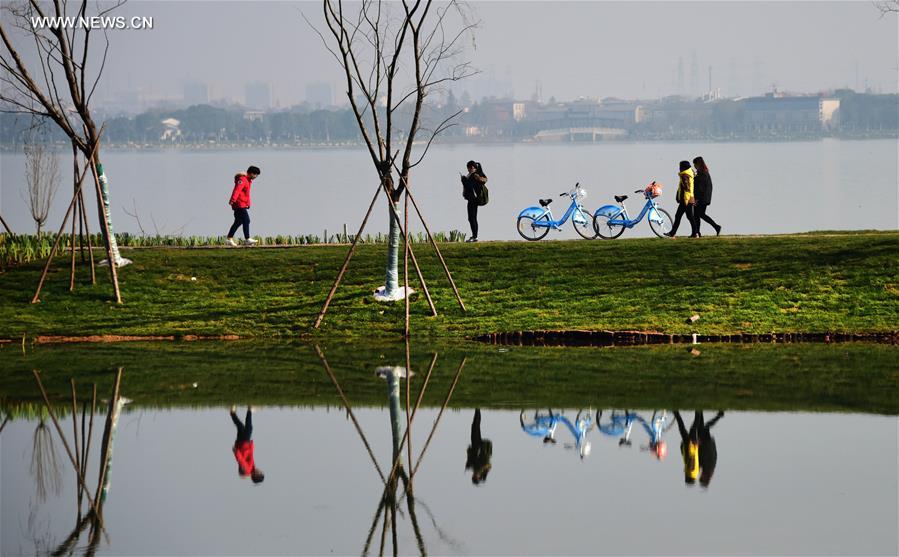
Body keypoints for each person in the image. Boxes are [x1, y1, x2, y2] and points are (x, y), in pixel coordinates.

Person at [673, 410, 724, 488]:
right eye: (701, 478)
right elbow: (708, 454)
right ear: (705, 478)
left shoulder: (703, 469)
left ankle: (700, 410)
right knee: (701, 427)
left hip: (699, 444)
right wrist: (701, 444)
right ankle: (716, 415)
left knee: (698, 427)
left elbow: (694, 458)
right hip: (706, 443)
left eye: (699, 478)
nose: (700, 477)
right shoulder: (708, 467)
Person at [226, 165, 261, 247]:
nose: (256, 177)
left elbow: (246, 194)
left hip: (243, 203)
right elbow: (237, 190)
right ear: (251, 173)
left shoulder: (248, 181)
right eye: (255, 175)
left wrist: (248, 203)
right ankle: (247, 239)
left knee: (238, 221)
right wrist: (233, 200)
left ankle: (229, 238)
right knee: (246, 220)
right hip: (238, 204)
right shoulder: (242, 180)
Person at [230, 405, 265, 484]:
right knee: (240, 426)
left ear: (256, 475)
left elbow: (241, 460)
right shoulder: (251, 468)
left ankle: (249, 410)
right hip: (241, 445)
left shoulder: (248, 469)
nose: (260, 470)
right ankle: (232, 412)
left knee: (249, 428)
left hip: (243, 446)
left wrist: (236, 452)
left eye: (260, 473)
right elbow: (249, 456)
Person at [691, 157, 721, 237]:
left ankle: (714, 227)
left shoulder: (701, 173)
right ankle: (699, 232)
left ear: (698, 163)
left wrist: (697, 199)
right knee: (699, 214)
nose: (694, 166)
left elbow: (699, 188)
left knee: (698, 215)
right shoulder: (704, 172)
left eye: (695, 164)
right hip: (705, 197)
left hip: (702, 198)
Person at [666, 161, 696, 238]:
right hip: (690, 198)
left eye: (680, 167)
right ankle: (694, 233)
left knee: (679, 216)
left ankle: (672, 233)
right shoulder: (690, 174)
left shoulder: (685, 176)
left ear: (683, 167)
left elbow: (687, 189)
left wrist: (685, 200)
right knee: (689, 217)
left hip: (686, 200)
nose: (679, 168)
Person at [460, 160, 487, 242]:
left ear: (471, 167)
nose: (468, 170)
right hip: (472, 199)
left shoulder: (475, 175)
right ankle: (474, 236)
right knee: (471, 218)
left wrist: (463, 180)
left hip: (473, 200)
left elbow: (469, 186)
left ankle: (475, 237)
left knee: (472, 218)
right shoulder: (477, 174)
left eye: (468, 168)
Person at [465, 408, 492, 485]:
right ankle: (477, 409)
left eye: (473, 477)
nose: (474, 475)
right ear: (479, 476)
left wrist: (468, 464)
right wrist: (482, 467)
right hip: (482, 447)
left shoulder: (473, 468)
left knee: (475, 426)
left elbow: (470, 457)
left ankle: (477, 410)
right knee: (475, 426)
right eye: (475, 477)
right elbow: (489, 464)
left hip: (475, 445)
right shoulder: (485, 470)